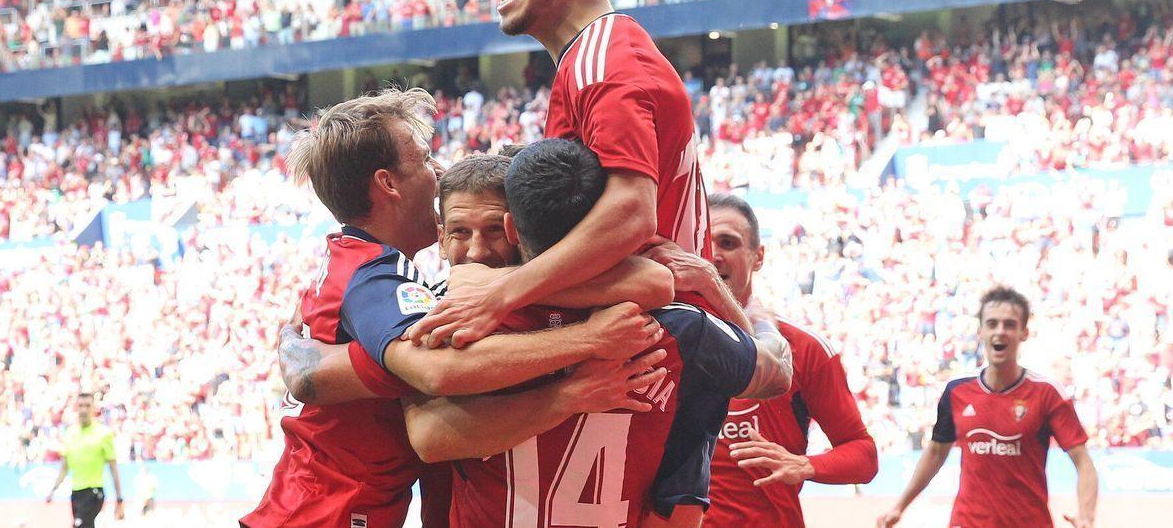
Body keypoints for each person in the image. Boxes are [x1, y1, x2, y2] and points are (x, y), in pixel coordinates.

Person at [244, 92, 666, 528]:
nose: (438, 172)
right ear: (389, 184)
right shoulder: (378, 279)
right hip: (324, 514)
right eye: (427, 160)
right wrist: (588, 342)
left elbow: (655, 281)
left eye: (490, 229)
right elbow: (436, 376)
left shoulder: (369, 267)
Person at [409, 0, 750, 349]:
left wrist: (501, 293)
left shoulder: (603, 57)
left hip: (661, 343)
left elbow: (631, 213)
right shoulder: (591, 59)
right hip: (664, 334)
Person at [396, 139, 794, 527]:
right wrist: (749, 313)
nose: (478, 254)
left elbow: (430, 434)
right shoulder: (677, 327)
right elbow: (774, 372)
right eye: (461, 233)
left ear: (512, 228)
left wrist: (491, 286)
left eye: (491, 232)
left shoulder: (456, 322)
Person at [687, 194, 878, 528]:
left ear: (758, 256)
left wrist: (805, 465)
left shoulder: (804, 350)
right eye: (704, 243)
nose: (714, 255)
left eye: (728, 243)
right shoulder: (667, 336)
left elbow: (864, 455)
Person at [876, 286, 1099, 528]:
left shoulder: (1047, 394)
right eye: (992, 324)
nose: (999, 332)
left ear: (1024, 332)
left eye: (1009, 325)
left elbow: (1083, 462)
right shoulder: (957, 391)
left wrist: (1086, 515)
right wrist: (899, 506)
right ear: (980, 330)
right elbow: (936, 453)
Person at [45, 392, 125, 528]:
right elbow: (65, 467)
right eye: (81, 405)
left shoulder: (103, 433)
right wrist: (53, 489)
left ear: (94, 408)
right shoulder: (70, 433)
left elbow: (113, 468)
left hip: (94, 492)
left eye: (87, 406)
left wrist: (119, 499)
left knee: (79, 525)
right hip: (76, 494)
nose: (84, 409)